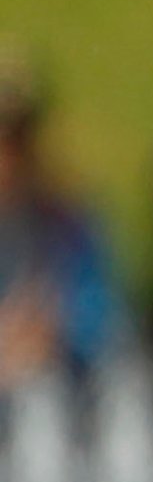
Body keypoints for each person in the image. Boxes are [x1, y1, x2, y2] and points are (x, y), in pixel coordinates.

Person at [0, 47, 124, 388]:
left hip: (60, 402)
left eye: (16, 138)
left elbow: (106, 320)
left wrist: (56, 336)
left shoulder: (69, 224)